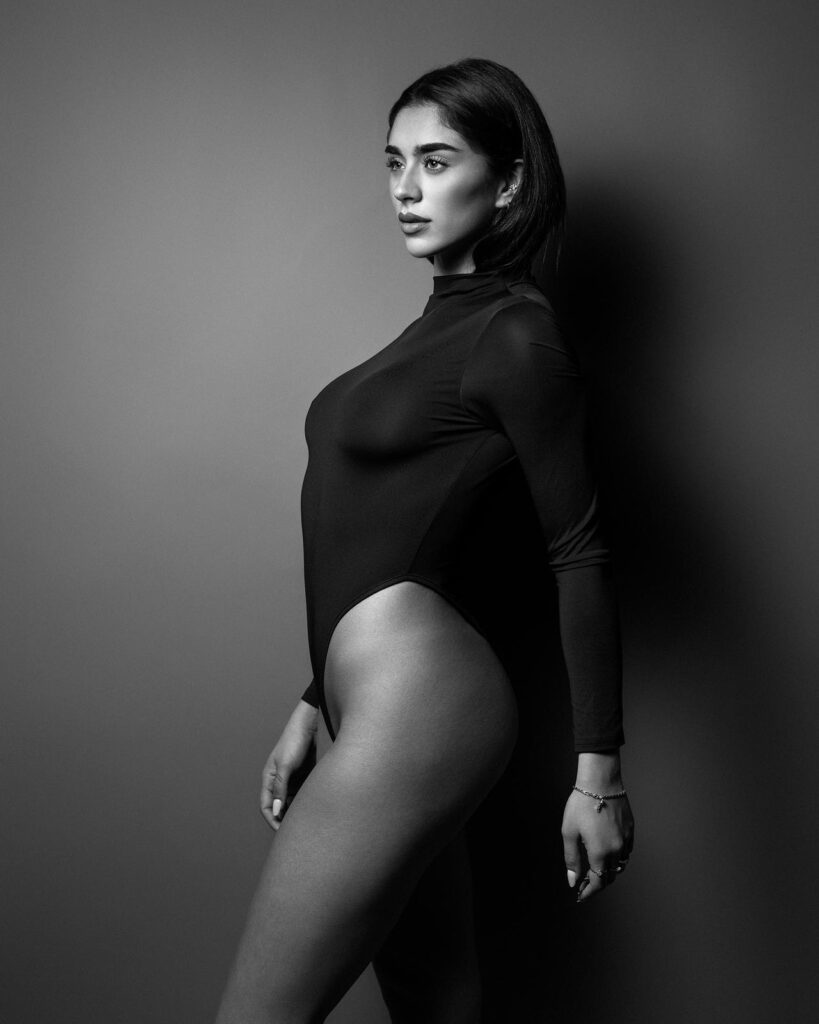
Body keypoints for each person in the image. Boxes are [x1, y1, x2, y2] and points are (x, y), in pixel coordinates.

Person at [216, 57, 635, 1024]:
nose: (406, 188)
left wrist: (599, 773)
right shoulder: (437, 332)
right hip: (372, 702)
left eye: (436, 162)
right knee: (437, 1007)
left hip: (420, 710)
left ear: (509, 181)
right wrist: (317, 699)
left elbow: (578, 552)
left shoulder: (516, 337)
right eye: (394, 161)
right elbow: (421, 529)